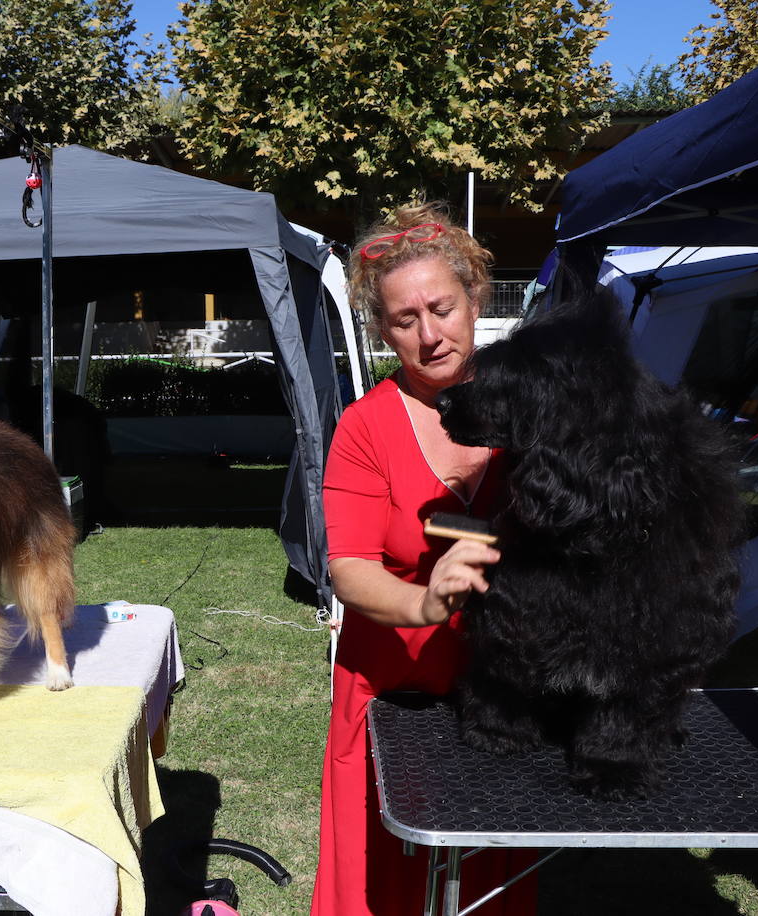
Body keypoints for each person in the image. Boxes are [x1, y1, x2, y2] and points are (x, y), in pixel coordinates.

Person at [312, 204, 536, 915]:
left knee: (488, 884)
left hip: (502, 693)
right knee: (386, 888)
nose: (430, 334)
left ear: (476, 299)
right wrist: (424, 603)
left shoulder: (532, 409)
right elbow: (349, 567)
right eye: (405, 320)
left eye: (442, 307)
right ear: (382, 330)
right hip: (389, 692)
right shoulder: (363, 426)